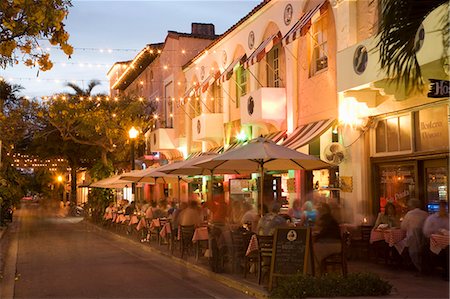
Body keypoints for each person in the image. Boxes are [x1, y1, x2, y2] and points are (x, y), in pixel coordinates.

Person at [312, 202, 342, 275]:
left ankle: (315, 272)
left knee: (312, 250)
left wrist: (315, 235)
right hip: (336, 243)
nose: (317, 212)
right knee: (314, 247)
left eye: (318, 211)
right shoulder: (329, 218)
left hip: (332, 244)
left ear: (323, 211)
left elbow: (322, 232)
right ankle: (320, 271)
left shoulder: (326, 218)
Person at [401, 198, 428, 272]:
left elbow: (403, 227)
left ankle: (412, 265)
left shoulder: (409, 214)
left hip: (412, 239)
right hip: (424, 240)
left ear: (411, 206)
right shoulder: (425, 214)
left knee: (399, 244)